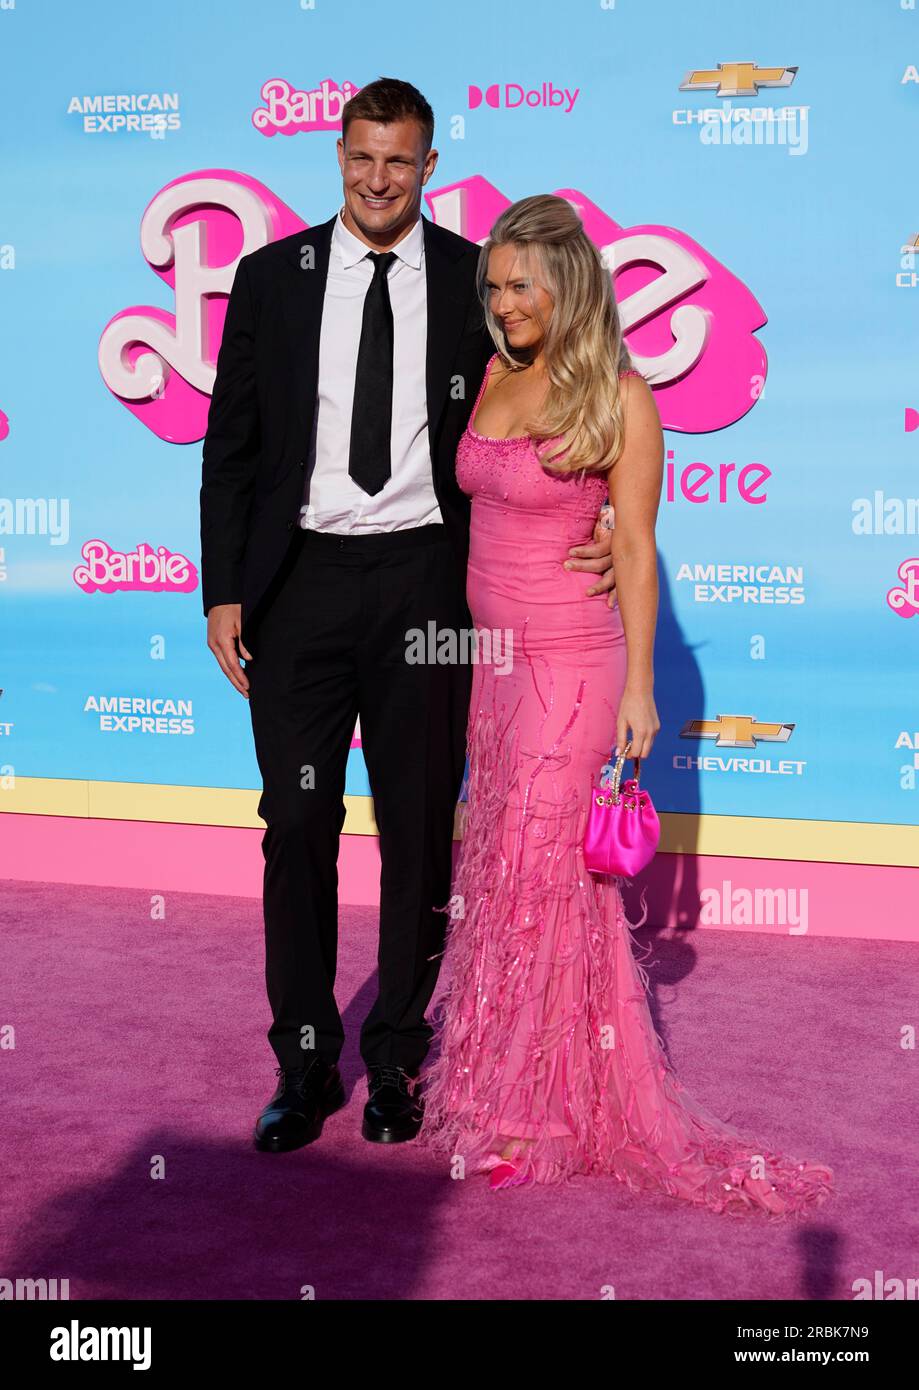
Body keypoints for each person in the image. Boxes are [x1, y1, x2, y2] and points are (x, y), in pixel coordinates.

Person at [200, 79, 618, 1154]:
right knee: (296, 823)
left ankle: (393, 1059)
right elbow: (231, 452)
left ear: (429, 167)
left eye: (402, 161)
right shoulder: (270, 280)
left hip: (427, 588)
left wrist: (613, 511)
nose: (379, 179)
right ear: (336, 155)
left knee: (421, 831)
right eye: (362, 158)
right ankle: (302, 1063)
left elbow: (573, 381)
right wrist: (223, 589)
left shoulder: (472, 281)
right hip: (298, 591)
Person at [419, 194, 836, 1219]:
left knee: (540, 869)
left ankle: (542, 1110)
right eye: (495, 284)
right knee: (496, 858)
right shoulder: (491, 375)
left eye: (523, 284)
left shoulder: (619, 396)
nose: (504, 301)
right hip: (493, 663)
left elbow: (636, 547)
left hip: (574, 662)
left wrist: (643, 687)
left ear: (569, 284)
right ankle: (491, 1077)